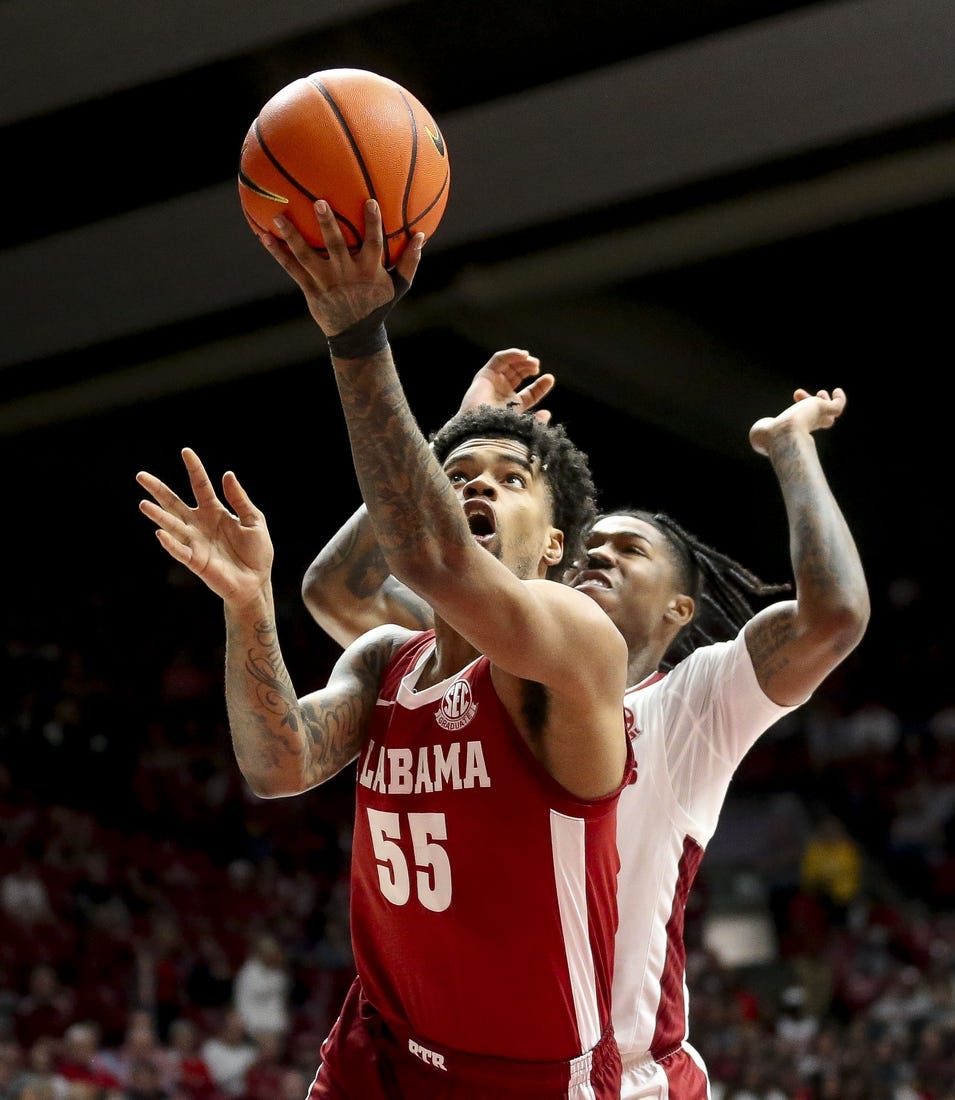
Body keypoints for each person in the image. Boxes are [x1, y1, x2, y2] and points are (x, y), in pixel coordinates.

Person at [136, 198, 632, 1100]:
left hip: (521, 1078)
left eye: (510, 479)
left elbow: (428, 552)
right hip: (377, 1051)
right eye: (458, 477)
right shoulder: (388, 663)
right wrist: (248, 602)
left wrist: (357, 335)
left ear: (557, 543)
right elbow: (279, 759)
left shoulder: (572, 648)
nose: (476, 485)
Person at [301, 351, 870, 1098]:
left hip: (623, 1077)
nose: (599, 556)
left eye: (630, 551)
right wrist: (459, 441)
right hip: (464, 1065)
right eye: (591, 546)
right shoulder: (478, 670)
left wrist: (791, 447)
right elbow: (341, 591)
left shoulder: (692, 704)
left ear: (678, 611)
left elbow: (833, 618)